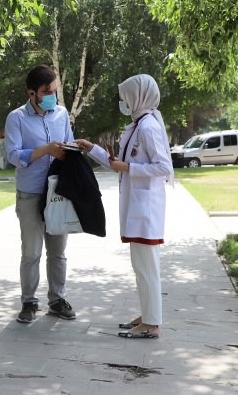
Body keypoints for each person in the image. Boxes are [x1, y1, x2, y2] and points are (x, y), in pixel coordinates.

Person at [75, 74, 173, 339]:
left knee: (146, 267)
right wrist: (91, 148)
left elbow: (163, 167)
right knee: (141, 266)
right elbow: (118, 163)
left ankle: (152, 324)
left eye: (125, 97)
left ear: (138, 97)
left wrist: (128, 167)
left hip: (145, 210)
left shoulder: (148, 126)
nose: (123, 102)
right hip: (137, 208)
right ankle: (148, 314)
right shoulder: (138, 125)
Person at [5, 65, 76, 323]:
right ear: (31, 92)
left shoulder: (61, 114)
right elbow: (13, 156)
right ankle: (29, 302)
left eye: (54, 91)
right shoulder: (16, 118)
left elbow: (69, 145)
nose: (52, 96)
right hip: (31, 194)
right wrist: (45, 149)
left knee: (58, 252)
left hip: (58, 193)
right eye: (47, 92)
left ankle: (57, 299)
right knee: (31, 252)